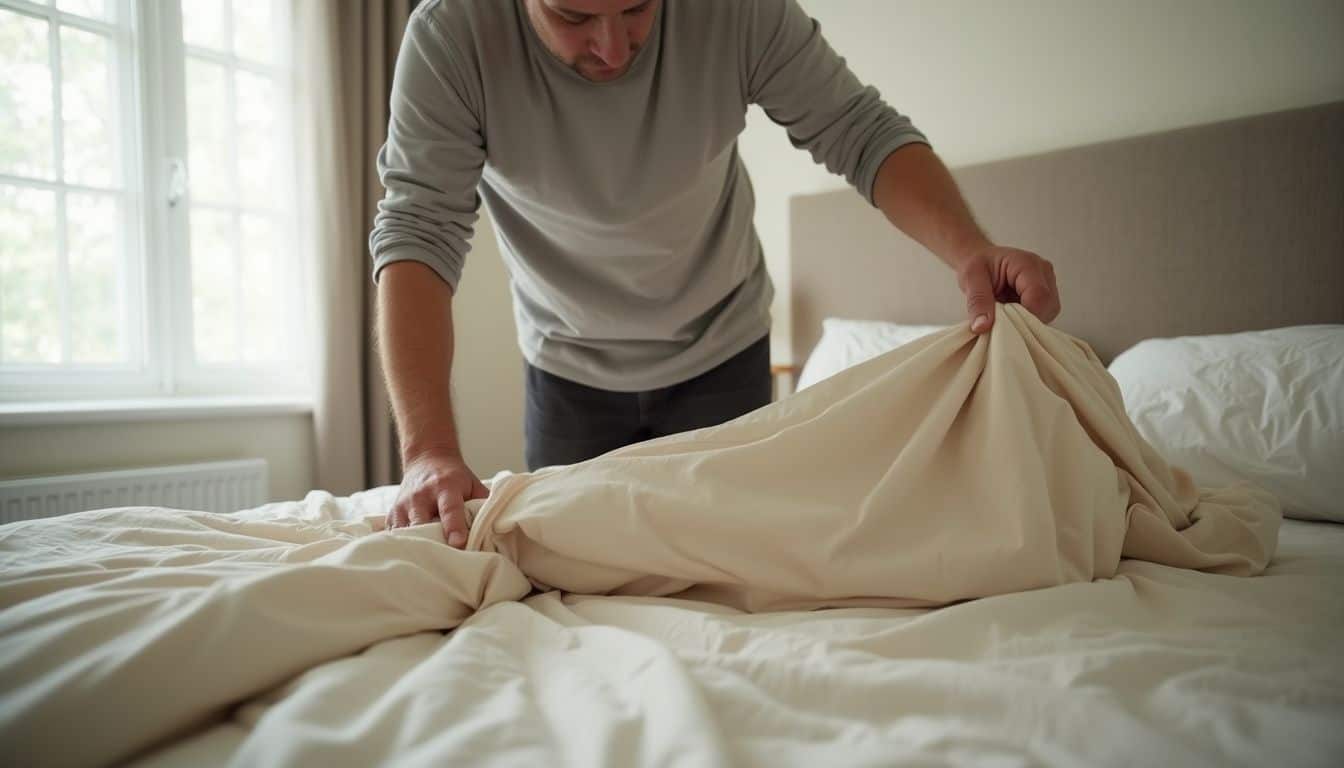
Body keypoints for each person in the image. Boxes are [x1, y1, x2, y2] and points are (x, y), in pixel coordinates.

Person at [371, 0, 1062, 547]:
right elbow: (419, 233)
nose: (613, 49)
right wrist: (429, 450)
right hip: (566, 373)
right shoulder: (451, 39)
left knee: (738, 571)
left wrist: (970, 249)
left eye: (638, 8)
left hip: (723, 355)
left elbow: (860, 130)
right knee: (572, 594)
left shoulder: (735, 11)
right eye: (573, 16)